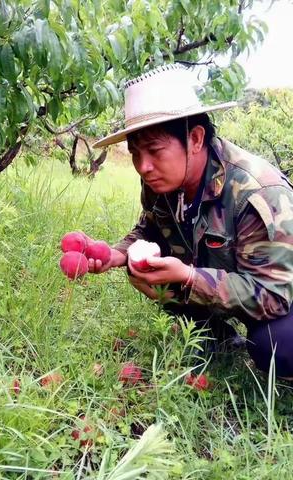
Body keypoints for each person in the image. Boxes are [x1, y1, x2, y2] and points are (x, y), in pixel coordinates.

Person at [88, 64, 293, 379]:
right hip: (230, 278)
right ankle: (219, 341)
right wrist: (118, 254)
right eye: (134, 153)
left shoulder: (258, 194)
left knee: (277, 344)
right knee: (149, 272)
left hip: (280, 288)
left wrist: (187, 277)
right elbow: (151, 228)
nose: (143, 166)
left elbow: (275, 295)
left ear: (195, 139)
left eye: (155, 151)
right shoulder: (164, 181)